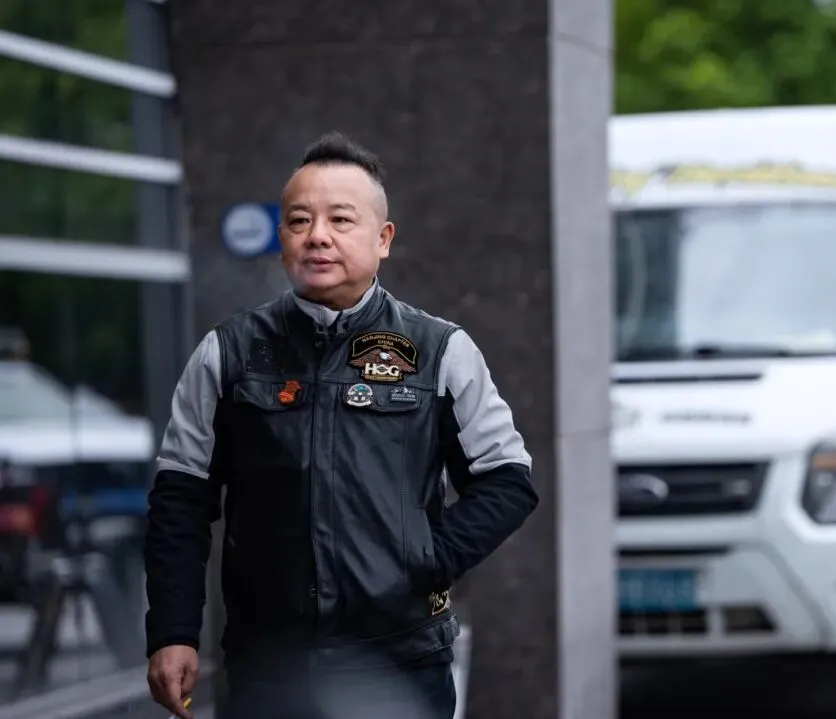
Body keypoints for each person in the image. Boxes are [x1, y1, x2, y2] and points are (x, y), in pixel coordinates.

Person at [144, 131, 539, 719]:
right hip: (268, 666)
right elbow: (179, 499)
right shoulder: (228, 353)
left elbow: (508, 480)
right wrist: (173, 630)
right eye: (299, 221)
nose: (317, 235)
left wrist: (423, 561)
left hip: (400, 662)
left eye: (340, 219)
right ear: (282, 239)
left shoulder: (439, 351)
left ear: (383, 239)